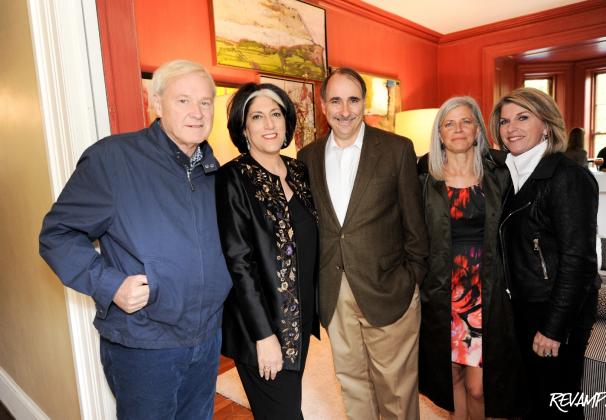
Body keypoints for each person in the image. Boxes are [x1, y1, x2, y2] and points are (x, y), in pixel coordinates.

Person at [39, 60, 232, 419]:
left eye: (206, 102)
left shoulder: (212, 169)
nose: (197, 112)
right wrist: (111, 285)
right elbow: (57, 235)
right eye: (183, 101)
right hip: (144, 345)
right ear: (157, 104)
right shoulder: (113, 159)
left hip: (206, 340)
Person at [298, 67, 428, 420]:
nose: (345, 110)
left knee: (396, 389)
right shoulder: (307, 157)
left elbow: (415, 225)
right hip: (334, 290)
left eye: (353, 100)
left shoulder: (397, 149)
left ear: (364, 103)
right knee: (352, 384)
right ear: (323, 106)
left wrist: (411, 276)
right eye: (336, 100)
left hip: (389, 287)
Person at [490, 87, 599, 419]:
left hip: (554, 310)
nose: (512, 128)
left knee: (559, 405)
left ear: (547, 125)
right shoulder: (515, 174)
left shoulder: (568, 177)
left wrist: (553, 327)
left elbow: (578, 260)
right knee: (535, 400)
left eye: (523, 117)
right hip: (526, 306)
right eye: (505, 121)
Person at [418, 96, 525, 420]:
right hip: (441, 292)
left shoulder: (502, 172)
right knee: (450, 378)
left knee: (480, 386)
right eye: (449, 123)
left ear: (478, 128)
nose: (458, 129)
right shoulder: (423, 176)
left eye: (465, 121)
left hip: (488, 291)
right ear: (439, 134)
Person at [216, 82, 319, 419]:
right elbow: (239, 263)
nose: (269, 124)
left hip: (298, 322)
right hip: (262, 328)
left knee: (285, 409)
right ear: (243, 128)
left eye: (275, 114)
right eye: (257, 116)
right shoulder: (233, 178)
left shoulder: (300, 171)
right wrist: (264, 336)